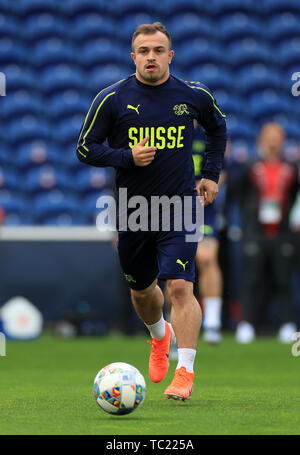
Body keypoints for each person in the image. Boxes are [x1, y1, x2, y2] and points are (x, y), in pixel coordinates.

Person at [77, 22, 227, 401]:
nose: (151, 57)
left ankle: (186, 372)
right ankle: (159, 337)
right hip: (135, 210)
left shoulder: (193, 95)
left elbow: (218, 128)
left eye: (158, 50)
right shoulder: (112, 98)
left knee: (179, 286)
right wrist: (127, 156)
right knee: (143, 293)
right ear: (134, 57)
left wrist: (209, 174)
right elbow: (84, 148)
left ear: (170, 55)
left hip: (181, 205)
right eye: (143, 51)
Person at [227, 123, 298, 343]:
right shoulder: (250, 166)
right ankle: (247, 324)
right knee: (251, 280)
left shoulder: (292, 168)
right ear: (261, 140)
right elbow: (235, 193)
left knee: (285, 279)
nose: (273, 141)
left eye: (277, 137)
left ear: (283, 140)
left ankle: (287, 324)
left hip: (283, 232)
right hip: (255, 233)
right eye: (269, 137)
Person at [193, 123, 225, 344]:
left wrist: (206, 185)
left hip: (204, 209)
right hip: (172, 206)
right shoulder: (163, 128)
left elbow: (222, 171)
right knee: (175, 271)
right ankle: (172, 331)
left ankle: (212, 324)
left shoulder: (208, 135)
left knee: (207, 260)